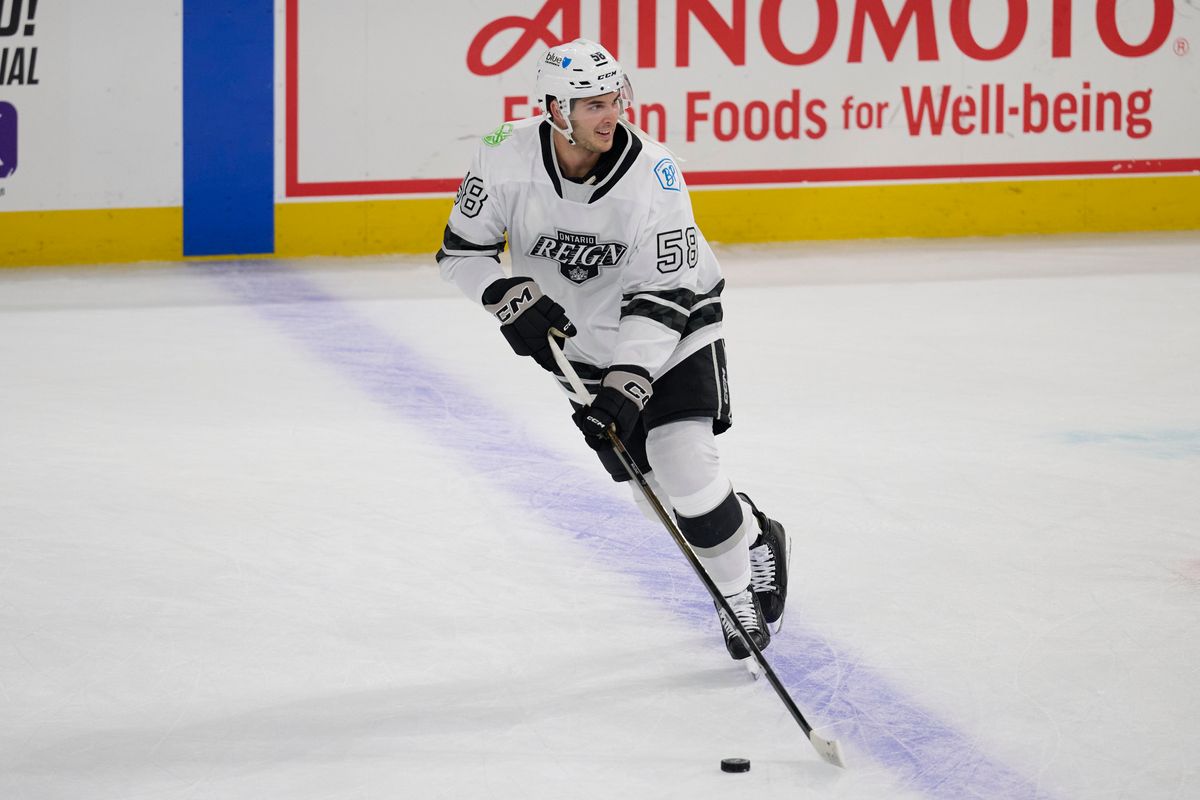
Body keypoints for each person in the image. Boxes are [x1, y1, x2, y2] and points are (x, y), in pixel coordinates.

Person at [436, 39, 789, 661]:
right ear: (555, 109)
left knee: (683, 462)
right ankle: (753, 529)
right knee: (652, 497)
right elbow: (460, 254)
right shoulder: (501, 156)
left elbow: (665, 291)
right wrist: (506, 296)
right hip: (579, 345)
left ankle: (737, 601)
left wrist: (628, 383)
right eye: (594, 104)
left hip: (674, 325)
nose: (611, 115)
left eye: (614, 99)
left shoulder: (654, 174)